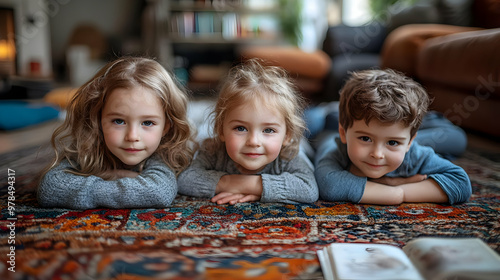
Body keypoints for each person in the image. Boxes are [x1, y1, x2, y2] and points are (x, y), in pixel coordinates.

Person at [38, 56, 194, 209]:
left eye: (147, 123)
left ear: (166, 127)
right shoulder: (89, 148)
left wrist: (97, 181)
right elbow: (50, 188)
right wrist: (114, 177)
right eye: (119, 121)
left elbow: (158, 192)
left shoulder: (163, 152)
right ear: (97, 120)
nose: (132, 136)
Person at [314, 69, 471, 205]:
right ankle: (327, 109)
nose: (377, 154)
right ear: (343, 134)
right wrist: (394, 192)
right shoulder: (335, 149)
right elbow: (328, 184)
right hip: (329, 125)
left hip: (428, 124)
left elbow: (461, 183)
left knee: (457, 139)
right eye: (365, 139)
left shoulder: (415, 153)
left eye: (392, 142)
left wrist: (401, 191)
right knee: (315, 121)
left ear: (410, 142)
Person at [177, 59, 318, 205]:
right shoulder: (213, 151)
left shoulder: (288, 155)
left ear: (287, 136)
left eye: (268, 130)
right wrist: (228, 182)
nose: (253, 141)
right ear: (221, 130)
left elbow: (308, 188)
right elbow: (185, 179)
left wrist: (253, 186)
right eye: (241, 128)